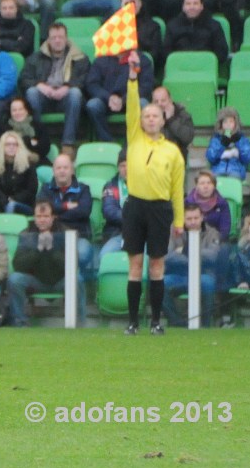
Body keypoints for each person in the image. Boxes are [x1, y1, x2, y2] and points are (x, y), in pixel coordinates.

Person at [121, 51, 185, 335]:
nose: (148, 119)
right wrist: (133, 79)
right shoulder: (134, 137)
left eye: (154, 116)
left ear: (162, 120)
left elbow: (177, 189)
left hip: (160, 209)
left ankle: (156, 321)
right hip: (135, 207)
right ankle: (133, 322)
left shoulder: (173, 152)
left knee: (156, 265)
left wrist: (179, 221)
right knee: (135, 265)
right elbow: (132, 106)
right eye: (145, 116)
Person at [19, 22, 89, 157]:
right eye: (53, 38)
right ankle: (36, 138)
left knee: (75, 93)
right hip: (44, 96)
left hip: (66, 97)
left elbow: (84, 79)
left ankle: (68, 144)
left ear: (66, 38)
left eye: (61, 37)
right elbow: (24, 79)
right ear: (48, 40)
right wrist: (40, 85)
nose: (57, 40)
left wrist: (67, 87)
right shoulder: (35, 57)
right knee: (32, 92)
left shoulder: (80, 57)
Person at [6, 200, 75, 326]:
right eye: (39, 216)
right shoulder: (26, 234)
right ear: (34, 217)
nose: (42, 220)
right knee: (14, 279)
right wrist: (37, 250)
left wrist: (51, 250)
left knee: (78, 279)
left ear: (53, 217)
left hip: (60, 280)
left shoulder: (65, 233)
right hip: (35, 280)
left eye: (46, 216)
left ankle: (79, 322)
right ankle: (20, 322)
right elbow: (18, 265)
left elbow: (71, 266)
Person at [163, 204, 220, 327]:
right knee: (160, 284)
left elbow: (213, 256)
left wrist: (186, 250)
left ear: (202, 217)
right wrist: (193, 257)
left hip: (202, 274)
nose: (193, 222)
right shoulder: (172, 231)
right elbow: (166, 256)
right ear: (183, 218)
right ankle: (177, 323)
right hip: (179, 274)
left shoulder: (212, 233)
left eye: (196, 218)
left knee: (209, 283)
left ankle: (205, 325)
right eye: (189, 219)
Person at [37, 154, 93, 274]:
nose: (62, 171)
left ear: (72, 170)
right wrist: (66, 206)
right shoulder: (45, 189)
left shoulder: (83, 189)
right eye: (58, 168)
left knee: (82, 254)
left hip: (79, 236)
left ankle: (73, 283)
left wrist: (55, 215)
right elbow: (41, 210)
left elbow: (83, 212)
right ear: (53, 170)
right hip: (52, 236)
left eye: (65, 168)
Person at [84, 49, 154, 142]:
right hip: (107, 101)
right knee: (93, 105)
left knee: (143, 104)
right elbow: (92, 84)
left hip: (131, 100)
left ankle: (134, 142)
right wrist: (109, 97)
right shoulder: (101, 59)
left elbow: (146, 87)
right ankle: (108, 142)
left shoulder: (141, 59)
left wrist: (124, 100)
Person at [164, 0, 229, 65]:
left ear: (201, 6)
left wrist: (202, 62)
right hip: (180, 68)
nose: (192, 7)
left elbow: (222, 52)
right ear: (183, 7)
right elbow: (166, 52)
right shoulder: (172, 25)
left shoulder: (214, 25)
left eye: (195, 3)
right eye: (188, 4)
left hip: (205, 69)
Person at [0, 130, 38, 215]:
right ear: (2, 147)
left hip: (25, 205)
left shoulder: (28, 164)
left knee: (12, 206)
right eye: (8, 144)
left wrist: (14, 199)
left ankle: (8, 226)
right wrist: (5, 200)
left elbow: (31, 189)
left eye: (15, 144)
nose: (11, 147)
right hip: (3, 204)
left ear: (19, 146)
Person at [120, 0, 164, 70]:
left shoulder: (153, 27)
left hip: (143, 69)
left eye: (133, 2)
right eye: (126, 3)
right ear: (121, 6)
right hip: (119, 69)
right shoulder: (114, 27)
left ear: (140, 4)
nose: (130, 6)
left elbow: (156, 55)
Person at [206, 107, 250, 180]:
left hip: (236, 171)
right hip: (218, 170)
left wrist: (238, 142)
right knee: (216, 181)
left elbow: (247, 158)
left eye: (231, 121)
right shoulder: (216, 139)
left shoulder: (242, 139)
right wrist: (222, 144)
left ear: (236, 123)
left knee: (233, 180)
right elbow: (211, 157)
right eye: (225, 122)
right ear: (221, 124)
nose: (228, 124)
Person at [1, 97, 52, 165]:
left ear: (27, 110)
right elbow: (3, 149)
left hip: (37, 160)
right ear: (10, 112)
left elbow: (44, 148)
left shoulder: (38, 126)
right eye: (14, 110)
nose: (17, 113)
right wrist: (29, 142)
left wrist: (19, 143)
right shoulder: (4, 128)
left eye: (21, 109)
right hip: (13, 162)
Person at [185, 170, 232, 240]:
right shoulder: (187, 202)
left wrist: (214, 241)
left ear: (214, 186)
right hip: (189, 239)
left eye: (209, 183)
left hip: (214, 239)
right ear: (196, 186)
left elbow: (225, 230)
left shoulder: (222, 203)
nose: (206, 186)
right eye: (202, 183)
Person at [99, 148, 128, 258]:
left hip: (141, 234)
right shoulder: (110, 186)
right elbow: (109, 211)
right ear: (118, 168)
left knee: (147, 259)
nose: (126, 169)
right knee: (104, 256)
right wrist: (133, 218)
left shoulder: (144, 185)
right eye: (122, 166)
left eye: (129, 165)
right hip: (117, 233)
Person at [152, 86, 194, 162]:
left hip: (177, 159)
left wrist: (171, 120)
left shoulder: (183, 115)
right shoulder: (148, 118)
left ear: (170, 100)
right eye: (156, 101)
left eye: (163, 100)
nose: (159, 104)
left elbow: (187, 138)